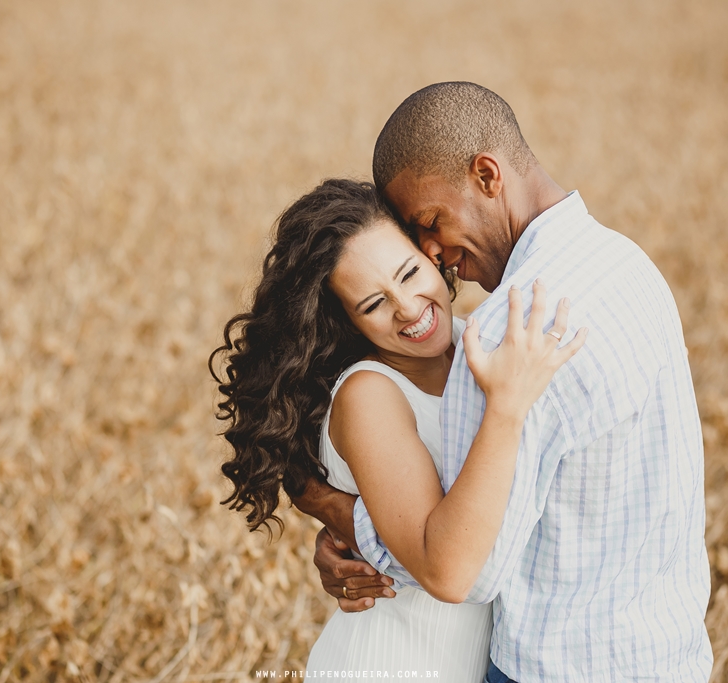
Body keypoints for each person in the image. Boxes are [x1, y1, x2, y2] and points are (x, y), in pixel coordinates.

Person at [295, 82, 713, 682]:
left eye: (431, 223)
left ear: (488, 176)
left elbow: (463, 570)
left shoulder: (501, 332)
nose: (434, 253)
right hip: (669, 657)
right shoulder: (627, 263)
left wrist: (340, 512)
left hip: (560, 667)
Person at [210, 178, 585, 681]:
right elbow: (446, 569)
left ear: (430, 255)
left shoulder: (477, 341)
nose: (408, 308)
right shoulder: (370, 394)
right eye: (373, 304)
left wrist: (346, 519)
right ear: (348, 322)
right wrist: (507, 406)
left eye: (409, 273)